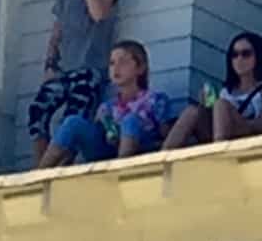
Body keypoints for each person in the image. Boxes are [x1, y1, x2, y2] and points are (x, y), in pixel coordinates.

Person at [28, 0, 119, 165]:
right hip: (64, 70)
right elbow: (56, 33)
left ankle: (61, 168)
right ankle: (40, 168)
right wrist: (50, 65)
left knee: (73, 117)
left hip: (90, 68)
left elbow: (99, 14)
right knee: (37, 111)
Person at [39, 41, 172, 167]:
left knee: (130, 120)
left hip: (141, 150)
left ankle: (121, 168)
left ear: (141, 68)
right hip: (106, 152)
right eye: (112, 63)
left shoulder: (155, 100)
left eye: (123, 62)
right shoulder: (107, 107)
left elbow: (165, 134)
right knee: (73, 122)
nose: (116, 68)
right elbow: (99, 135)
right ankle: (40, 172)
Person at [163, 32, 262, 148]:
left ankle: (219, 151)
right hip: (217, 133)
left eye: (246, 54)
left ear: (259, 56)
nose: (239, 59)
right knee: (192, 111)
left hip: (249, 137)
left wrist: (233, 117)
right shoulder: (226, 91)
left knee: (221, 105)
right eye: (234, 55)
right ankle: (165, 154)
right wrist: (205, 108)